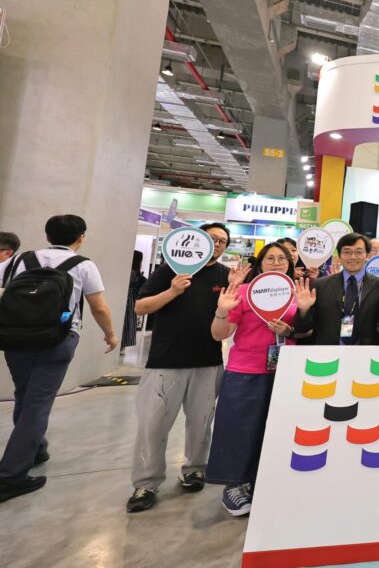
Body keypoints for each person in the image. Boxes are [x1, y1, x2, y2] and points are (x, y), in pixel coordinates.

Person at [126, 222, 247, 513]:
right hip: (165, 363)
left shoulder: (225, 275)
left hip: (208, 361)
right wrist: (172, 291)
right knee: (152, 425)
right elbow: (140, 307)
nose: (217, 244)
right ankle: (146, 483)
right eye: (212, 238)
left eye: (223, 241)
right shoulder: (170, 270)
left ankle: (195, 469)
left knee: (201, 423)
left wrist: (235, 287)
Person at [0, 215, 118, 503]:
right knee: (37, 403)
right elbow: (99, 307)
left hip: (15, 338)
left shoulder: (19, 260)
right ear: (81, 237)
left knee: (26, 395)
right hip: (58, 339)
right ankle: (11, 476)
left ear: (47, 235)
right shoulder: (84, 265)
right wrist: (110, 335)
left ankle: (35, 449)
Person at [206, 242, 297, 516]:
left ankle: (265, 482)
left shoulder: (298, 292)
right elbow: (219, 334)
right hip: (246, 371)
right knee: (239, 429)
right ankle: (234, 484)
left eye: (282, 258)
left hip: (288, 372)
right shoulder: (244, 292)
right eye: (270, 258)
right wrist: (222, 310)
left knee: (278, 432)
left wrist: (291, 329)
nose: (276, 263)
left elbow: (307, 329)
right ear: (260, 263)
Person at [294, 233, 379, 345]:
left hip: (366, 351)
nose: (353, 256)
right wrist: (304, 310)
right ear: (339, 257)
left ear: (367, 256)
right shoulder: (320, 285)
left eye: (359, 252)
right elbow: (302, 328)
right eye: (347, 252)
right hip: (328, 350)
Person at [122, 250, 147, 349]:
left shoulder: (127, 272)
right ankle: (123, 345)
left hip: (125, 299)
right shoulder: (137, 274)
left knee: (123, 321)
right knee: (129, 322)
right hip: (132, 300)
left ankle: (121, 344)